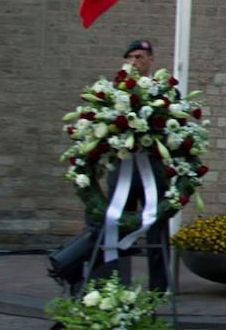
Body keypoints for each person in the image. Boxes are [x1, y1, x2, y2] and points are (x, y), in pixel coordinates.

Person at [76, 40, 170, 293]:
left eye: (139, 57)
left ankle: (160, 288)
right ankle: (118, 285)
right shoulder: (114, 92)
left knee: (157, 228)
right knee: (116, 226)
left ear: (151, 59)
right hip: (124, 171)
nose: (134, 62)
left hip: (153, 171)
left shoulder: (164, 91)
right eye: (129, 57)